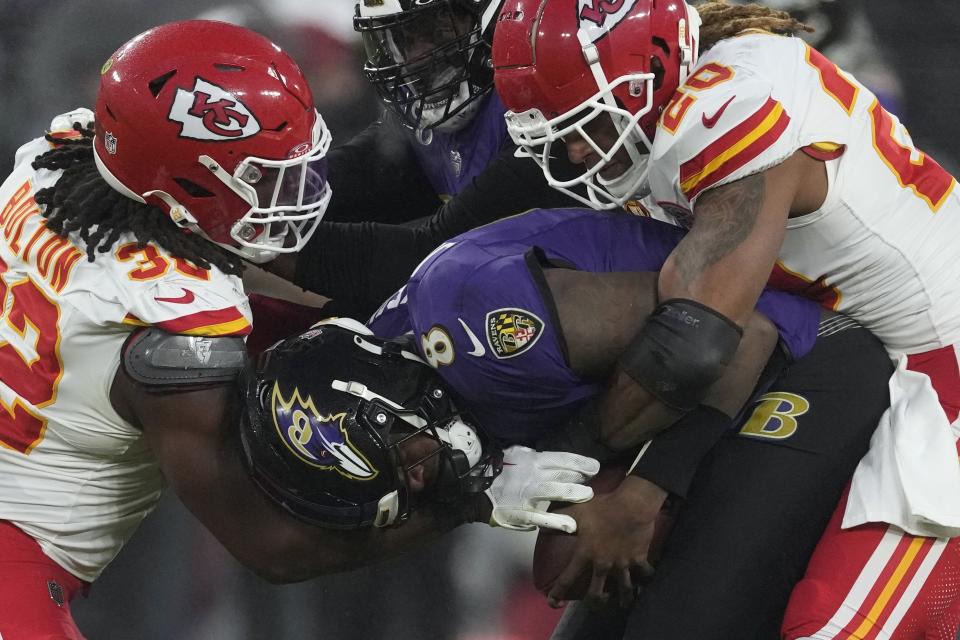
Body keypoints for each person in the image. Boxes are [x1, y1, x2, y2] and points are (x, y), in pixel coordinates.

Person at [0, 20, 595, 639]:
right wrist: (474, 501)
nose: (297, 189)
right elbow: (272, 548)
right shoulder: (172, 323)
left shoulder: (60, 158)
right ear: (182, 189)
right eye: (263, 176)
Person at [492, 0, 960, 636]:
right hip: (836, 361)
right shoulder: (689, 94)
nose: (575, 153)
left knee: (833, 628)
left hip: (940, 374)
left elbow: (694, 335)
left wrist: (603, 476)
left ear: (647, 76)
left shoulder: (728, 110)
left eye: (586, 126)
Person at [244, 206, 894, 637]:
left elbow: (734, 338)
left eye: (411, 464)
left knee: (683, 624)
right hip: (693, 409)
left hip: (800, 358)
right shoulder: (416, 395)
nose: (425, 483)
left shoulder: (481, 325)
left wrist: (639, 497)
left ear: (390, 394)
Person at [256, 0, 589, 318]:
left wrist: (251, 237)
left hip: (589, 312)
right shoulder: (435, 114)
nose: (415, 57)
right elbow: (346, 180)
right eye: (402, 38)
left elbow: (428, 257)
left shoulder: (539, 109)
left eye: (437, 30)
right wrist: (251, 195)